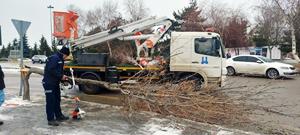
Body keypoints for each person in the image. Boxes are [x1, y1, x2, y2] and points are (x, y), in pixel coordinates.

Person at [42, 46, 70, 126]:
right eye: (66, 56)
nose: (66, 58)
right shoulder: (54, 58)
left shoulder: (60, 59)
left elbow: (58, 71)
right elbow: (51, 70)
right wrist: (61, 76)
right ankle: (50, 119)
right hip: (49, 83)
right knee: (50, 101)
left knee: (57, 100)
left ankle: (59, 116)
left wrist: (62, 78)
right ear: (64, 54)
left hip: (55, 83)